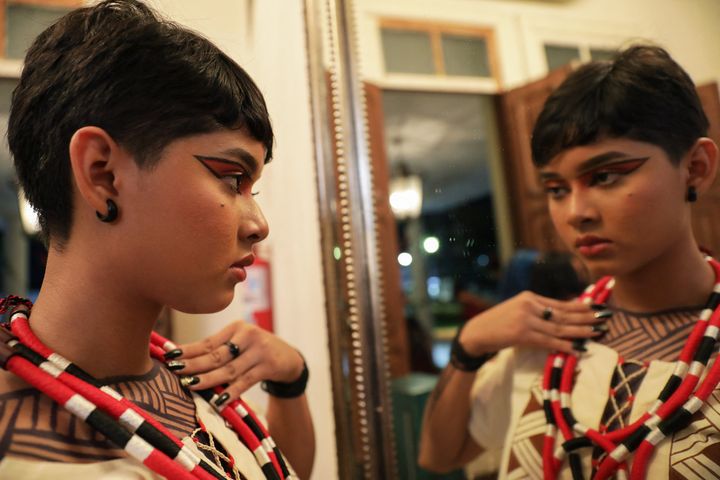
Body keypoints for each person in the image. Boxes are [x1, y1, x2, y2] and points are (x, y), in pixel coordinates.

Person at [0, 1, 314, 479]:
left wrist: (291, 379)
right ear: (102, 173)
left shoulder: (190, 382)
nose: (258, 223)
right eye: (231, 179)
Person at [418, 44, 719, 479]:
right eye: (557, 189)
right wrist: (470, 345)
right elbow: (438, 456)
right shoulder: (551, 336)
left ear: (695, 167)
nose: (576, 212)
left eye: (605, 176)